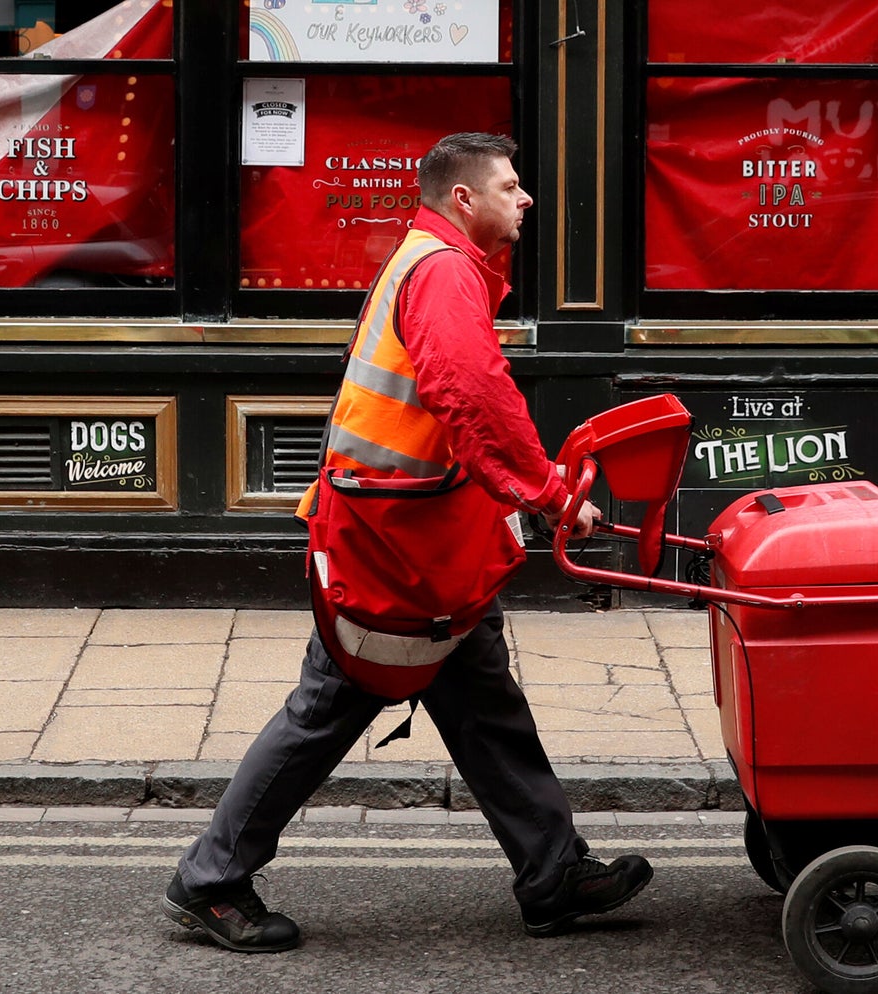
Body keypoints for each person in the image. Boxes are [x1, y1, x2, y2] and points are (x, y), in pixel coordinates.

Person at [163, 132, 652, 953]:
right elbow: (474, 396)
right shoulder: (444, 272)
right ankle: (210, 879)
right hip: (391, 552)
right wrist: (551, 495)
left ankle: (552, 872)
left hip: (425, 544)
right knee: (327, 706)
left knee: (485, 704)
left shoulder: (433, 262)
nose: (526, 198)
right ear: (464, 199)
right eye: (511, 184)